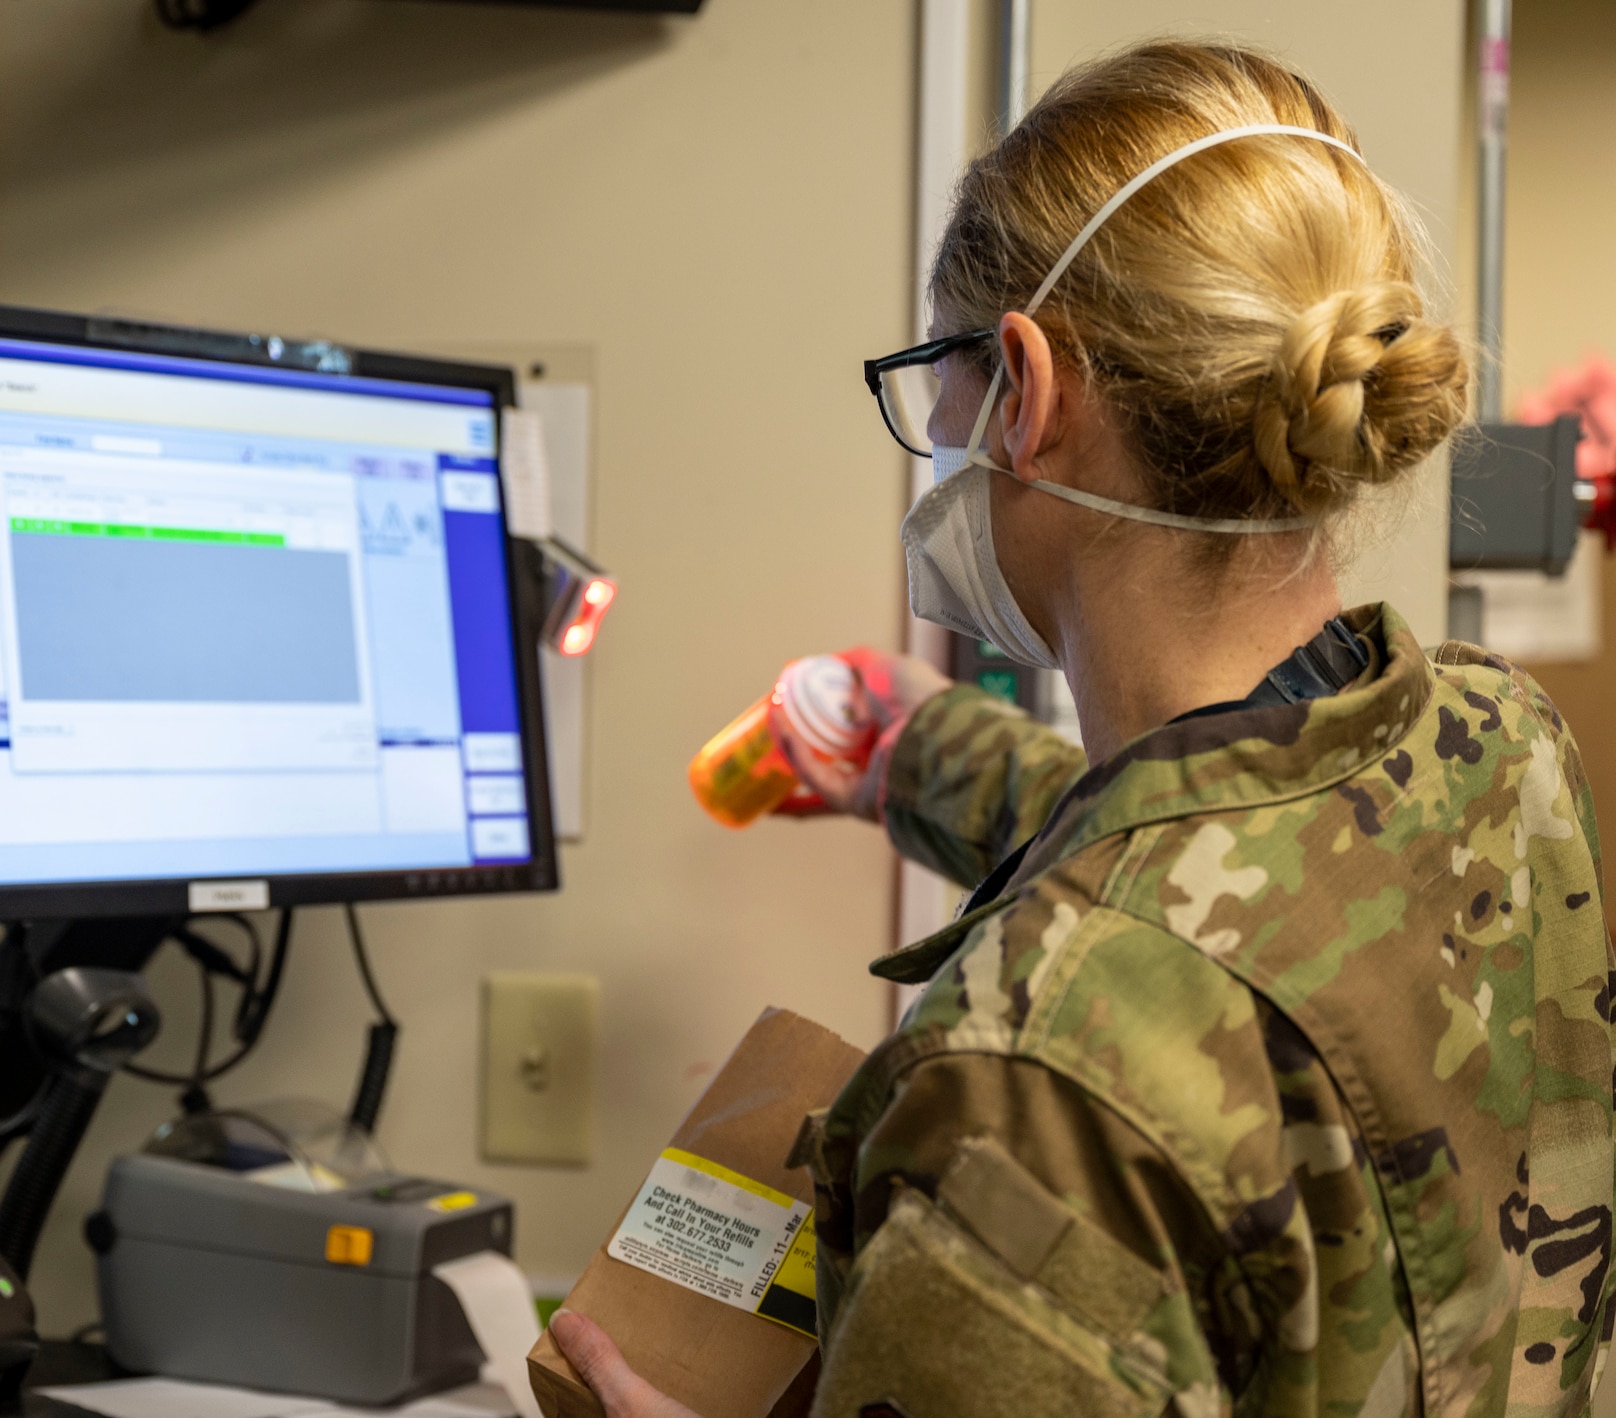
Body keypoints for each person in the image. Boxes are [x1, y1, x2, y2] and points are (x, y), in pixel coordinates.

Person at [548, 39, 1615, 1418]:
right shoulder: (1498, 743)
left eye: (941, 373)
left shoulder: (1032, 1073)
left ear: (1026, 393)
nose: (933, 427)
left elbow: (1166, 944)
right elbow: (1261, 876)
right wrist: (910, 749)